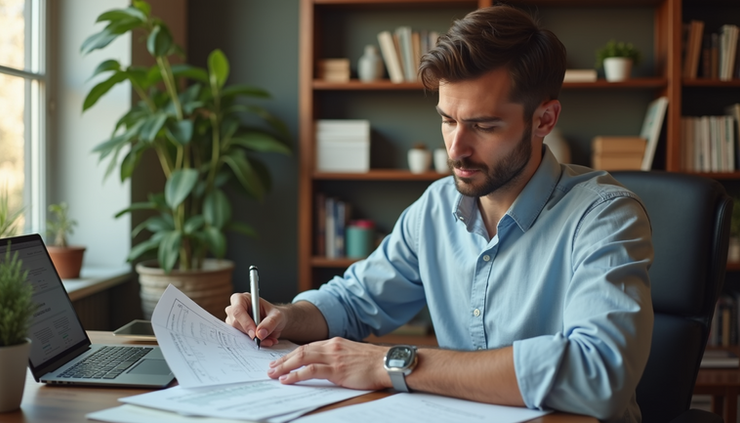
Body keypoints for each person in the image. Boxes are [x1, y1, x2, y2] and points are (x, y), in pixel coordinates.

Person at [226, 5, 653, 423]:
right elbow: (354, 302)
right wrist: (284, 316)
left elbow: (600, 373)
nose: (456, 149)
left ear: (544, 119)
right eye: (448, 120)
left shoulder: (605, 217)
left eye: (483, 126)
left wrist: (394, 363)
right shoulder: (435, 208)